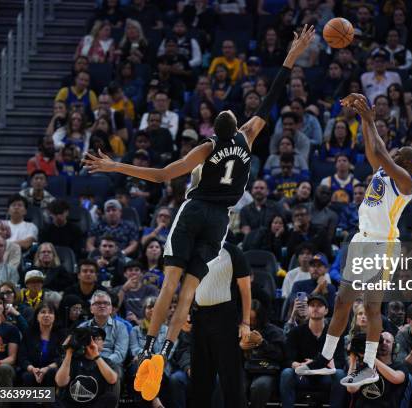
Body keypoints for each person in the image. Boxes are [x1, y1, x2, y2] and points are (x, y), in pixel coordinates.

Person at [83, 25, 316, 401]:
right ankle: (169, 348)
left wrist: (116, 167)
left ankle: (147, 348)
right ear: (236, 127)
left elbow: (161, 175)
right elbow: (272, 96)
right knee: (188, 292)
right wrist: (292, 54)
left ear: (212, 131)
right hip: (220, 220)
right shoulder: (248, 136)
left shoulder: (208, 149)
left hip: (195, 211)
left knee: (170, 283)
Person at [296, 92, 412, 387]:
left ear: (405, 161)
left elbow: (379, 149)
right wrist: (363, 118)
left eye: (399, 151)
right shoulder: (382, 170)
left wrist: (368, 118)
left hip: (383, 245)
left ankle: (368, 366)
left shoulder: (405, 182)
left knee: (372, 307)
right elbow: (372, 149)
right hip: (362, 241)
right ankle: (325, 358)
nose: (394, 152)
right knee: (341, 302)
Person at [190, 241, 252, 408]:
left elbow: (246, 290)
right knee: (199, 380)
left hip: (225, 319)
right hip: (198, 318)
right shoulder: (193, 251)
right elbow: (188, 286)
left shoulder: (233, 252)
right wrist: (184, 314)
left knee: (231, 381)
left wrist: (245, 322)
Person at [280, 294, 347, 408]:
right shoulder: (296, 332)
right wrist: (297, 364)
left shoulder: (335, 334)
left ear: (326, 311)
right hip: (303, 375)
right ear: (307, 309)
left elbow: (340, 361)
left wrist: (316, 364)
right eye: (312, 305)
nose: (315, 308)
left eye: (319, 305)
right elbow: (287, 359)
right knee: (287, 373)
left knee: (340, 374)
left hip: (325, 376)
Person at [55, 326, 119, 407]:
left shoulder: (106, 362)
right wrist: (69, 352)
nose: (93, 342)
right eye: (91, 338)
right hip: (69, 404)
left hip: (93, 405)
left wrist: (96, 356)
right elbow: (61, 383)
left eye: (98, 339)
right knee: (45, 395)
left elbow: (112, 380)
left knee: (111, 398)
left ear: (103, 344)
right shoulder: (72, 360)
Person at [346, 331, 408, 408]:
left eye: (388, 341)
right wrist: (353, 359)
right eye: (381, 341)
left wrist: (370, 356)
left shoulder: (399, 367)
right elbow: (351, 388)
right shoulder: (364, 366)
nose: (384, 343)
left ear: (394, 346)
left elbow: (396, 378)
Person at [19, 302, 63, 387]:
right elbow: (22, 357)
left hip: (52, 370)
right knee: (28, 376)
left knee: (51, 373)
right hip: (32, 370)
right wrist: (32, 369)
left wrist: (47, 369)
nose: (46, 315)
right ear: (37, 316)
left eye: (50, 313)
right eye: (43, 312)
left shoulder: (62, 335)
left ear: (55, 317)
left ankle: (49, 400)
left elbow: (62, 357)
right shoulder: (28, 334)